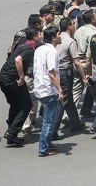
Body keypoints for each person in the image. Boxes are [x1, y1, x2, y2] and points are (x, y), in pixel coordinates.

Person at [0, 27, 42, 146]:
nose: (41, 35)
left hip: (3, 79)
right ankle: (11, 133)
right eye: (40, 34)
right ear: (34, 37)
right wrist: (22, 77)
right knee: (26, 105)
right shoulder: (29, 50)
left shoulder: (23, 45)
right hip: (12, 81)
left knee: (16, 105)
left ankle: (11, 134)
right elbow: (18, 60)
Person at [7, 14, 44, 134]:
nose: (43, 26)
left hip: (14, 70)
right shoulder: (34, 37)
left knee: (19, 100)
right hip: (27, 71)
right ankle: (27, 125)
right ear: (37, 25)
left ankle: (16, 122)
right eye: (41, 23)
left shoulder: (19, 33)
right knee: (31, 99)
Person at [53, 17, 87, 140]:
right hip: (65, 73)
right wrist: (83, 76)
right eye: (73, 24)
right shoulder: (70, 41)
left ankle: (75, 124)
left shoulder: (56, 38)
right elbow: (77, 61)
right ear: (69, 27)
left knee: (69, 99)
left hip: (55, 72)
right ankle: (53, 130)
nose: (74, 26)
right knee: (63, 101)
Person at [33, 26, 64, 157]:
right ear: (53, 38)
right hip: (48, 90)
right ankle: (43, 149)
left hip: (39, 88)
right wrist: (60, 89)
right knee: (49, 122)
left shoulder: (39, 49)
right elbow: (52, 73)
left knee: (48, 118)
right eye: (58, 34)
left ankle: (47, 143)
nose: (60, 36)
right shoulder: (52, 52)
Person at [73, 9, 96, 117]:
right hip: (87, 64)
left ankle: (68, 114)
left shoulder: (78, 30)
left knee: (76, 91)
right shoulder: (93, 33)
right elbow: (92, 52)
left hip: (76, 62)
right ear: (93, 19)